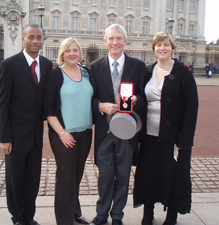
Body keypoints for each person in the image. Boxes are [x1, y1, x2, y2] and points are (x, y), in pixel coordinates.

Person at [133, 32, 198, 225]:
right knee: (149, 175)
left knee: (173, 176)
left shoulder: (183, 73)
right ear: (153, 49)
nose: (162, 48)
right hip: (149, 135)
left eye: (166, 45)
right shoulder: (148, 71)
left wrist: (185, 138)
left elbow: (191, 108)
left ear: (172, 48)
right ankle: (148, 212)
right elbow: (141, 98)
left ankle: (171, 215)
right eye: (158, 45)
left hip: (173, 136)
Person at [89, 24, 146, 225]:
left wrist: (136, 100)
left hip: (127, 131)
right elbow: (91, 99)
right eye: (111, 38)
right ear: (105, 41)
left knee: (123, 175)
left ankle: (117, 216)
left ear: (125, 41)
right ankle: (102, 214)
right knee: (105, 176)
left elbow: (144, 97)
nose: (115, 42)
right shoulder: (95, 67)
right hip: (105, 132)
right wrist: (101, 106)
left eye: (119, 38)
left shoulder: (138, 66)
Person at [0, 24, 53, 225]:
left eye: (39, 37)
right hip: (15, 136)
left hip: (36, 136)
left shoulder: (47, 64)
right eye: (31, 37)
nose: (35, 41)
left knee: (32, 180)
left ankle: (29, 216)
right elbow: (2, 104)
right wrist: (4, 137)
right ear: (23, 38)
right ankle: (18, 218)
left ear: (43, 39)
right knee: (15, 181)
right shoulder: (9, 65)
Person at [44, 37, 93, 225]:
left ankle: (74, 211)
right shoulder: (55, 75)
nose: (72, 53)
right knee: (65, 177)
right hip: (63, 133)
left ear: (80, 52)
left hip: (86, 132)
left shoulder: (87, 72)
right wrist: (62, 133)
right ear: (62, 53)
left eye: (75, 50)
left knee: (77, 175)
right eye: (68, 50)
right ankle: (64, 220)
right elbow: (48, 109)